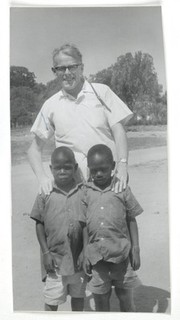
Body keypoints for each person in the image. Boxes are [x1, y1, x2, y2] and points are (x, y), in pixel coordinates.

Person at [27, 43, 133, 195]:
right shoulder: (51, 105)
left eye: (72, 67)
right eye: (61, 68)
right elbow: (34, 150)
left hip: (109, 182)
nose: (67, 72)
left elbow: (119, 130)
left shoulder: (101, 92)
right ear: (54, 71)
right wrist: (43, 178)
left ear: (82, 68)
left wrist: (122, 166)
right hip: (71, 189)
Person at [81, 144, 143, 312]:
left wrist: (135, 248)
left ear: (113, 166)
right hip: (97, 258)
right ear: (89, 170)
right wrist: (86, 251)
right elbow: (84, 225)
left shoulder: (122, 189)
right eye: (94, 171)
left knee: (125, 297)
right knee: (101, 299)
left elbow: (131, 219)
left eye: (103, 169)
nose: (99, 174)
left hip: (121, 256)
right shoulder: (85, 192)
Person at [30, 146, 86, 311]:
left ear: (75, 168)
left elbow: (86, 224)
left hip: (78, 260)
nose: (62, 171)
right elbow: (38, 223)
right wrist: (46, 253)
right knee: (52, 301)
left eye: (67, 167)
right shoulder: (45, 193)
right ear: (51, 169)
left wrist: (85, 251)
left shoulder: (83, 192)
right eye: (57, 168)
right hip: (55, 261)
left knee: (78, 298)